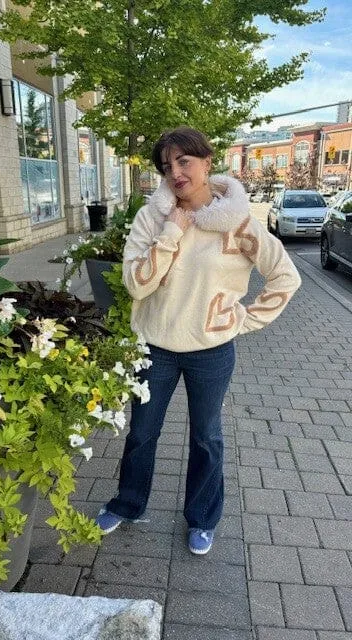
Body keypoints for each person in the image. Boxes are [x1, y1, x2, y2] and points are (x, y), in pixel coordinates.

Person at [96, 126, 301, 554]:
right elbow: (136, 285)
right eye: (167, 165)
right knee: (141, 434)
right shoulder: (152, 218)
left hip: (211, 352)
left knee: (207, 437)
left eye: (184, 161)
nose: (175, 172)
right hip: (155, 347)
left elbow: (286, 275)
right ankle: (128, 504)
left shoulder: (239, 223)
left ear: (208, 162)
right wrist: (172, 231)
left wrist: (242, 320)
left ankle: (203, 518)